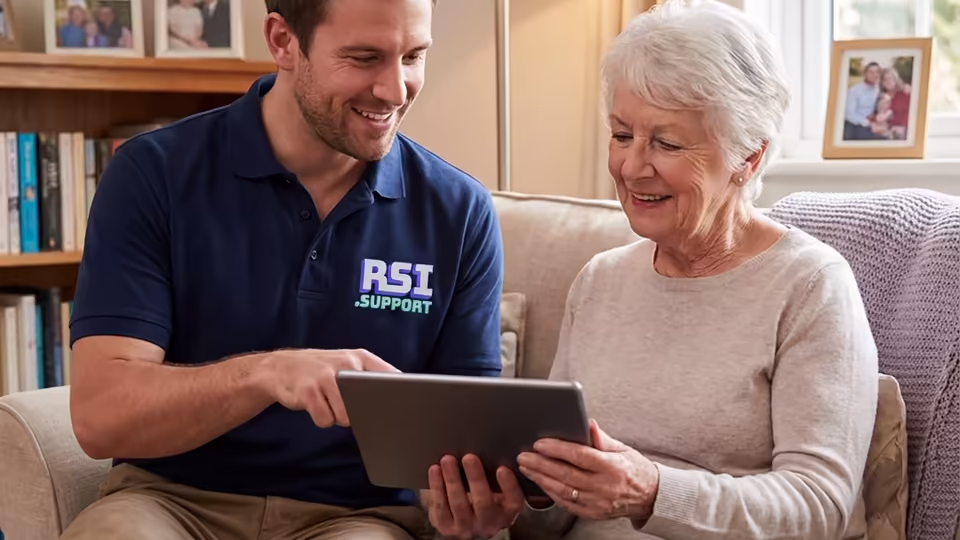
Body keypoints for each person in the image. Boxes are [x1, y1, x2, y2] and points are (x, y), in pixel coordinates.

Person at [62, 0, 514, 539]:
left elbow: (462, 445)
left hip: (360, 517)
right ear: (282, 41)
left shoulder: (459, 212)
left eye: (414, 56)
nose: (395, 90)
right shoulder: (152, 174)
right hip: (170, 503)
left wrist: (467, 506)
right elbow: (101, 418)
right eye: (364, 57)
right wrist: (266, 374)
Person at [440, 2, 878, 539]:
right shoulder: (601, 280)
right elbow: (558, 498)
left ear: (748, 158)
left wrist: (652, 492)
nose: (630, 165)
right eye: (622, 135)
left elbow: (818, 507)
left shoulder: (810, 287)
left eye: (666, 143)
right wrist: (501, 509)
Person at [843, 61, 882, 140]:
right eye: (871, 72)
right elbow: (849, 113)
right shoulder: (854, 91)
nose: (874, 75)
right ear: (865, 74)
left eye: (877, 72)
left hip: (874, 121)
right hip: (856, 123)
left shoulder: (880, 88)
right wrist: (868, 123)